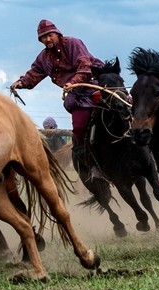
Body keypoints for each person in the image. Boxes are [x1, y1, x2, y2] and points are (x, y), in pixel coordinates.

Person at [10, 20, 102, 179]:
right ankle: (91, 165)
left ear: (57, 34)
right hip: (78, 97)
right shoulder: (44, 58)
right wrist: (22, 82)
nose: (47, 39)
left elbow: (84, 66)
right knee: (79, 128)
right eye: (43, 37)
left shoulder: (73, 43)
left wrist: (73, 82)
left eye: (50, 35)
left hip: (97, 84)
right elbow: (34, 73)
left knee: (126, 108)